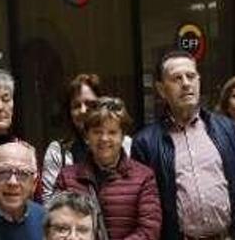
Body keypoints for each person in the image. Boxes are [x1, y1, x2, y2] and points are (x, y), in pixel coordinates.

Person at [131, 50, 235, 240]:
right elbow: (147, 209)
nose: (186, 83)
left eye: (191, 76)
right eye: (177, 78)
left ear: (199, 81)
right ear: (161, 90)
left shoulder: (227, 128)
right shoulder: (146, 142)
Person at [55, 97, 161, 239]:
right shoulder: (66, 178)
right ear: (87, 136)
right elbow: (57, 225)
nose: (104, 138)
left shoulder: (144, 177)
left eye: (112, 132)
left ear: (123, 136)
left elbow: (149, 229)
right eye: (97, 132)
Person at [42, 73, 132, 202]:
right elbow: (49, 204)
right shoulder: (58, 151)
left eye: (90, 103)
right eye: (76, 106)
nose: (83, 110)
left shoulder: (126, 144)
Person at [0, 141, 45, 240]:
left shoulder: (44, 219)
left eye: (23, 173)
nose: (13, 182)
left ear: (34, 183)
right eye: (3, 172)